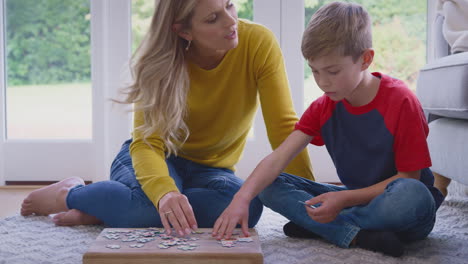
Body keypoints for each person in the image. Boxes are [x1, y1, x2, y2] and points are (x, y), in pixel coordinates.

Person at [20, 0, 314, 237]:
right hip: (153, 157)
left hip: (212, 170)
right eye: (212, 18)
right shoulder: (159, 65)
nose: (230, 21)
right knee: (149, 208)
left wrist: (307, 204)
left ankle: (108, 209)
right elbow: (147, 144)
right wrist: (165, 194)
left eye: (230, 5)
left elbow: (284, 127)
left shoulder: (258, 42)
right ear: (184, 31)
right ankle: (69, 193)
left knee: (247, 211)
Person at [212, 1, 444, 257]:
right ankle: (353, 232)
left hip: (403, 207)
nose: (323, 82)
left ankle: (326, 226)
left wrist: (342, 201)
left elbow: (408, 178)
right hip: (355, 198)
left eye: (332, 71)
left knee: (412, 196)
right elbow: (279, 158)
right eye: (314, 71)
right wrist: (241, 198)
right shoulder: (324, 106)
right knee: (266, 185)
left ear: (365, 59)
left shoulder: (401, 101)